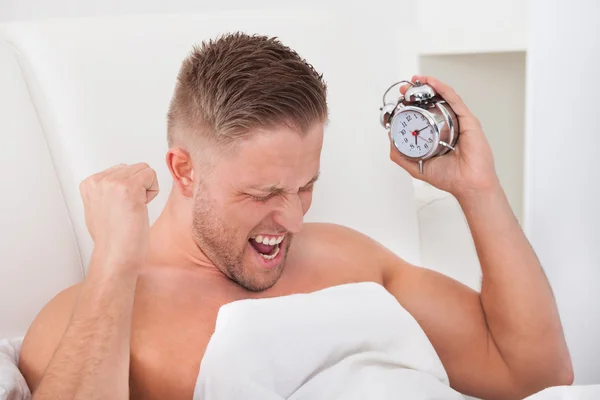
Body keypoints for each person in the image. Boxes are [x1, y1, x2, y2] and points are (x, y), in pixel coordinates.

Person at [18, 32, 572, 400]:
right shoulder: (94, 314)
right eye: (264, 193)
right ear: (183, 171)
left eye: (307, 187)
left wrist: (479, 191)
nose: (294, 219)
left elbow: (534, 374)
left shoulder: (345, 256)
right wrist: (114, 263)